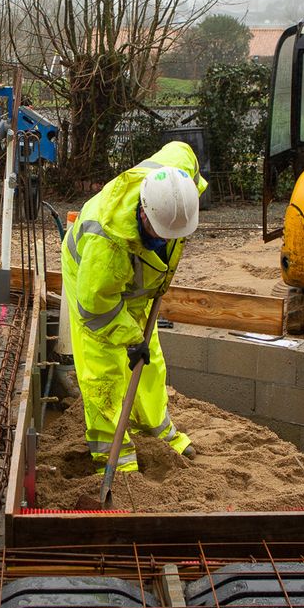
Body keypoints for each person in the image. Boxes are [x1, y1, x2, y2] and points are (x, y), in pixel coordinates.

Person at [61, 141, 206, 474]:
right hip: (96, 287)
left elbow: (182, 149)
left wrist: (139, 342)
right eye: (161, 233)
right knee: (104, 369)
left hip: (139, 278)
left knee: (149, 359)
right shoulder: (107, 242)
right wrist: (129, 337)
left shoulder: (175, 182)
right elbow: (96, 307)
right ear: (144, 212)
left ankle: (157, 430)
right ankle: (114, 456)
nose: (168, 240)